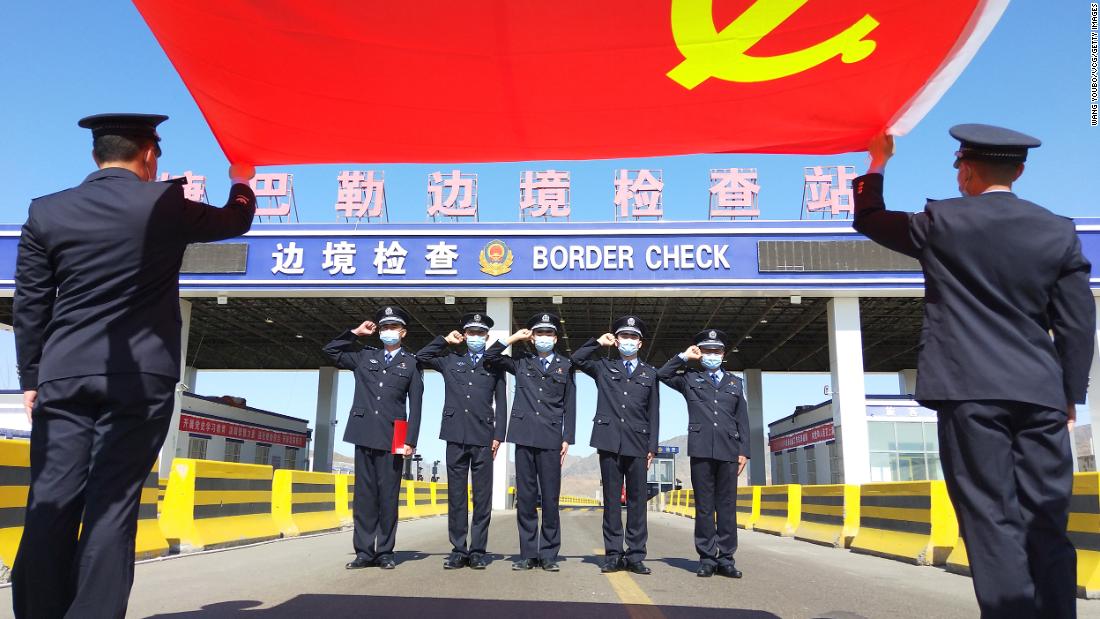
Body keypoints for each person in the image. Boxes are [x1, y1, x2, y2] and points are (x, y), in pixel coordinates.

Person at [11, 113, 256, 618]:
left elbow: (31, 305)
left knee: (51, 502)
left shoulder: (45, 211)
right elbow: (236, 221)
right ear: (148, 155)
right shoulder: (164, 203)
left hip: (64, 374)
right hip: (140, 379)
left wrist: (32, 379)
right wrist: (241, 183)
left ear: (96, 156)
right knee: (112, 505)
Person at [853, 125, 1094, 618]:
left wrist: (877, 162)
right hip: (1041, 393)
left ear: (965, 169)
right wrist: (1070, 393)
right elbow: (1077, 325)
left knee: (990, 517)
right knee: (1046, 518)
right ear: (1020, 171)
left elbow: (870, 218)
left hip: (969, 392)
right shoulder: (1058, 230)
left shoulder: (942, 221)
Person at [323, 306, 423, 570]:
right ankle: (364, 552)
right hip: (364, 431)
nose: (388, 332)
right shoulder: (363, 357)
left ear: (403, 332)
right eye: (384, 328)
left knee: (388, 496)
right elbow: (331, 351)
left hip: (394, 435)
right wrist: (355, 333)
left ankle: (385, 552)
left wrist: (410, 440)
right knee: (365, 497)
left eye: (393, 328)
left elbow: (416, 405)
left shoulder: (412, 364)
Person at [415, 311, 508, 570]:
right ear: (464, 335)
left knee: (482, 497)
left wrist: (499, 435)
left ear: (487, 336)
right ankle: (458, 549)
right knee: (456, 496)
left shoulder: (494, 364)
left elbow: (502, 403)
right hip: (455, 435)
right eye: (471, 333)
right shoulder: (450, 361)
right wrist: (444, 340)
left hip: (483, 437)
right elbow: (421, 357)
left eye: (480, 333)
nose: (475, 337)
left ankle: (478, 550)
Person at [484, 312, 576, 572]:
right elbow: (490, 357)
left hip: (550, 437)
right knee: (525, 498)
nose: (544, 338)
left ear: (555, 338)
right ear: (532, 338)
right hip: (523, 435)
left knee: (550, 498)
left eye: (549, 333)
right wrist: (512, 338)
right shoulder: (521, 361)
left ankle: (548, 554)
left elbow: (570, 403)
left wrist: (567, 437)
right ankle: (527, 553)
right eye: (539, 334)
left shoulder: (566, 365)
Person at [570, 315, 659, 575]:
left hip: (638, 443)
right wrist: (598, 342)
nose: (628, 341)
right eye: (624, 337)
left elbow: (654, 412)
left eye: (633, 337)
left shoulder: (650, 374)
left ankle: (635, 555)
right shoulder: (603, 367)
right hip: (608, 441)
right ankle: (613, 554)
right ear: (617, 340)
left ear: (640, 343)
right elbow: (577, 359)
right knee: (611, 501)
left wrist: (651, 446)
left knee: (637, 502)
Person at [657, 329, 748, 579]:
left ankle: (726, 558)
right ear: (700, 353)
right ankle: (707, 558)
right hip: (701, 451)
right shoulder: (689, 379)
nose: (711, 355)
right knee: (705, 507)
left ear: (723, 354)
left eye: (716, 351)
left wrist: (744, 451)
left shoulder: (734, 383)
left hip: (729, 451)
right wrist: (684, 357)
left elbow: (743, 419)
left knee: (727, 507)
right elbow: (661, 374)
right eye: (706, 351)